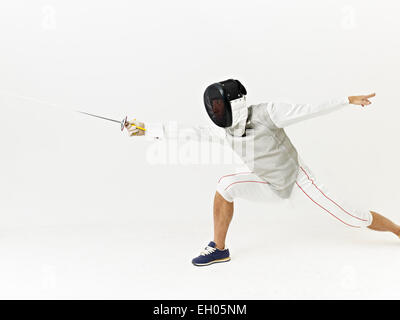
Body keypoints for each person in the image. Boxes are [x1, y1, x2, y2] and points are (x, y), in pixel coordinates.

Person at [126, 79, 400, 267]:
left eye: (219, 106)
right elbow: (190, 132)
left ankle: (398, 231)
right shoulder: (225, 130)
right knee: (225, 185)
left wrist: (346, 100)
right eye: (214, 107)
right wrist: (146, 129)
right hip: (266, 182)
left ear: (234, 104)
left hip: (297, 180)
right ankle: (219, 249)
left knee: (352, 218)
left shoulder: (268, 113)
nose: (215, 111)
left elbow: (308, 111)